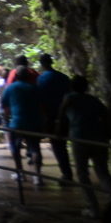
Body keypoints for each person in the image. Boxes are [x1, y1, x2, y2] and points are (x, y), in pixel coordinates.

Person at [61, 75, 111, 217]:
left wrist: (57, 132)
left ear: (71, 87)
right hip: (98, 138)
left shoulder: (69, 98)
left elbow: (61, 116)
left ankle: (93, 208)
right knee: (103, 171)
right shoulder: (94, 100)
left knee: (82, 173)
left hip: (79, 139)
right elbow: (107, 115)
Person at [36, 52, 74, 182]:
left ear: (41, 64)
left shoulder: (41, 79)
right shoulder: (63, 77)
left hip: (51, 116)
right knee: (67, 144)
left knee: (58, 145)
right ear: (51, 62)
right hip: (67, 115)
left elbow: (40, 99)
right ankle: (72, 172)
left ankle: (67, 174)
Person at [3, 67, 44, 185]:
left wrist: (7, 118)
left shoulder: (10, 88)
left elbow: (4, 106)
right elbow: (41, 105)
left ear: (16, 76)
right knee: (35, 148)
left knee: (15, 148)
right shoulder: (34, 88)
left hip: (17, 122)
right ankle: (38, 176)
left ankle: (20, 173)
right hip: (33, 121)